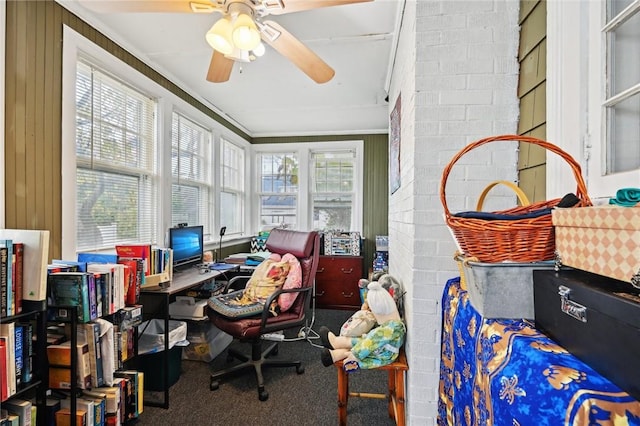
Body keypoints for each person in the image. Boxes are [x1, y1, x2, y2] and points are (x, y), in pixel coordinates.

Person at [319, 281, 406, 372]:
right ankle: (334, 349)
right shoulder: (395, 324)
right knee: (358, 341)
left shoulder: (389, 329)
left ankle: (335, 349)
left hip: (382, 354)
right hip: (385, 350)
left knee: (359, 344)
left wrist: (356, 354)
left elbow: (370, 342)